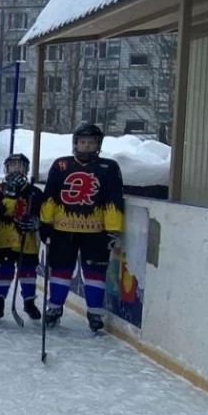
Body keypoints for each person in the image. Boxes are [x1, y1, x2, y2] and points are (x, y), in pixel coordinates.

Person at [39, 123, 125, 334]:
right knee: (60, 270)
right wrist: (45, 223)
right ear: (75, 143)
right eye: (83, 141)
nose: (87, 146)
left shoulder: (109, 167)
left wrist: (113, 229)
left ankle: (95, 312)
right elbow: (50, 196)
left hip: (96, 231)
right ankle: (55, 307)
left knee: (95, 272)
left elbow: (113, 200)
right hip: (63, 229)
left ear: (98, 144)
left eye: (92, 142)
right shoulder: (61, 165)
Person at [0, 153, 42, 321]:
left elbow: (42, 213)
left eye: (20, 166)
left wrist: (36, 221)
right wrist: (12, 193)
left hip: (28, 239)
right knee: (5, 270)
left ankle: (29, 302)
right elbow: (3, 211)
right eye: (12, 165)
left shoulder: (34, 191)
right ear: (6, 168)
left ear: (26, 169)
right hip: (6, 236)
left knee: (28, 271)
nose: (16, 169)